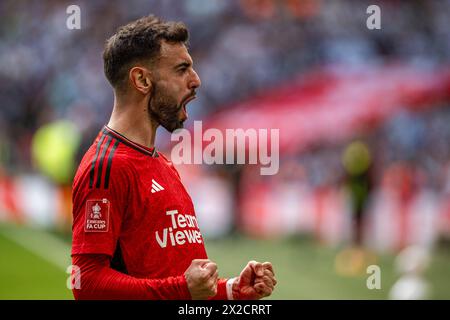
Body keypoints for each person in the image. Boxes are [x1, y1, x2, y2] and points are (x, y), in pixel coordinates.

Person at [71, 15, 277, 300]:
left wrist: (232, 291)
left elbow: (178, 287)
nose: (196, 81)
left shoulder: (161, 163)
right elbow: (86, 283)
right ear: (142, 79)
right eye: (182, 69)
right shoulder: (107, 167)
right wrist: (182, 289)